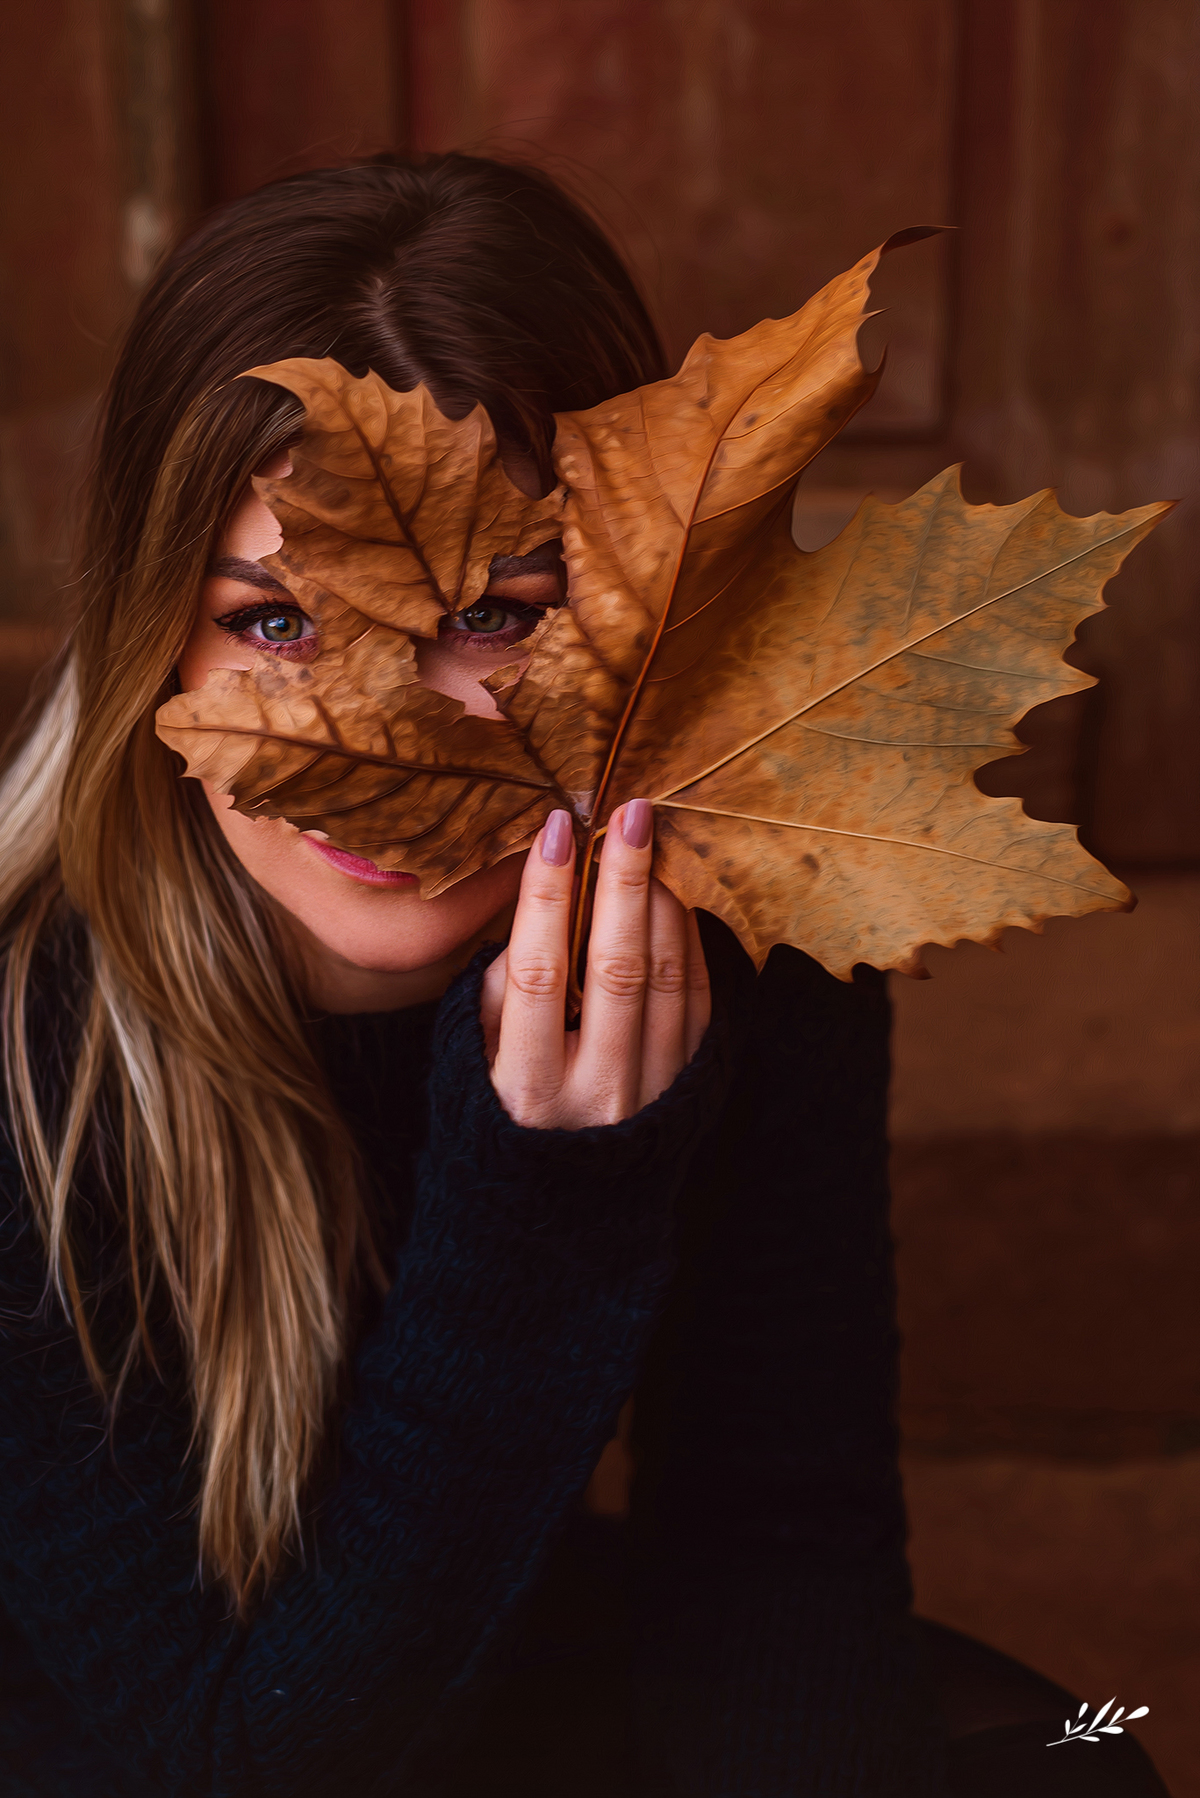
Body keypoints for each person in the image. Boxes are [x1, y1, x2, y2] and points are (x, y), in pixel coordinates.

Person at [0, 154, 1169, 1798]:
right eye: (274, 625)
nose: (387, 731)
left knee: (1084, 1756)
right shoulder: (23, 1033)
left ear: (651, 621)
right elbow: (240, 1756)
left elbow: (779, 1530)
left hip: (486, 1642)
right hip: (163, 1737)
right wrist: (545, 1197)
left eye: (500, 614)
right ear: (155, 642)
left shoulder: (735, 916)